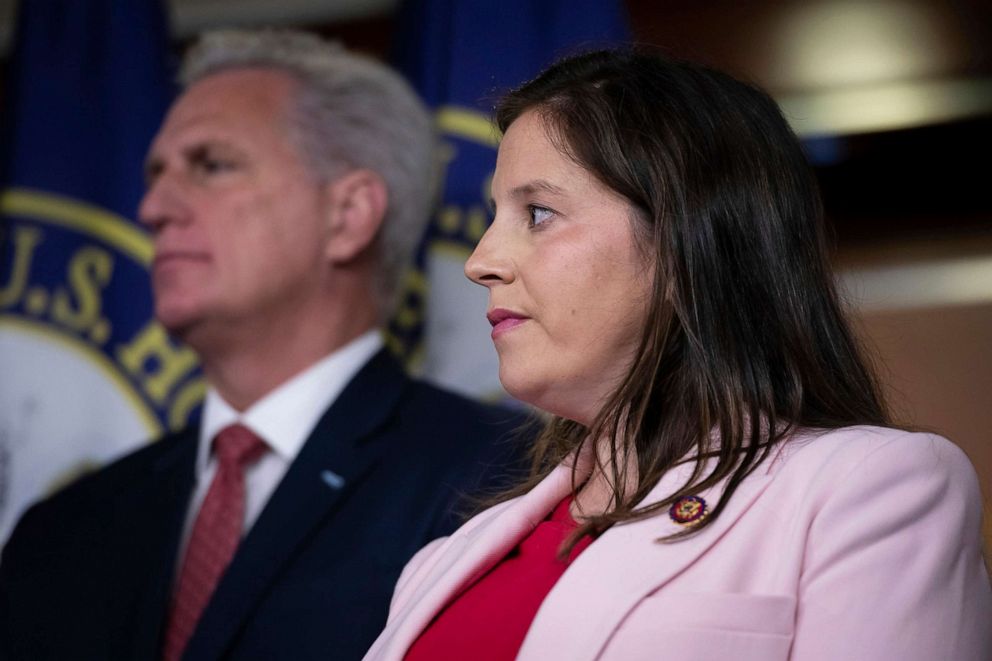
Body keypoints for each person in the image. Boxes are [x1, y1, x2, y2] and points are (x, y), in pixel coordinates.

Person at [364, 48, 992, 661]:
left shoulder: (865, 486)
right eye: (492, 216)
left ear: (686, 236)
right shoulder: (448, 556)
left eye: (538, 212)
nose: (481, 262)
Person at [0, 30, 526, 661]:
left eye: (212, 165)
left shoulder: (501, 487)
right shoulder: (61, 528)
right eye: (155, 174)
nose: (152, 208)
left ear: (349, 214)